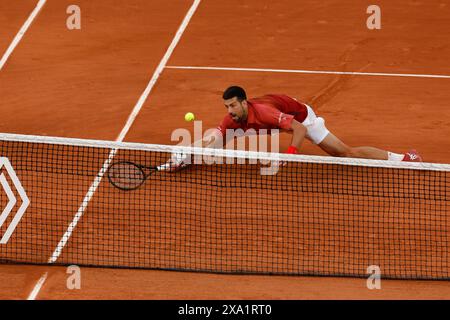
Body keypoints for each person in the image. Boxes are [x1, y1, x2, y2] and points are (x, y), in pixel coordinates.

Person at [165, 86, 422, 171]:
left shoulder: (264, 112)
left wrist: (289, 154)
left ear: (244, 102)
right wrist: (188, 152)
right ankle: (182, 158)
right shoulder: (233, 119)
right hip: (277, 121)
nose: (229, 110)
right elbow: (215, 138)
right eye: (226, 106)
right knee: (214, 138)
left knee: (345, 153)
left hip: (301, 117)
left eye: (233, 105)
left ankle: (403, 158)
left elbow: (298, 129)